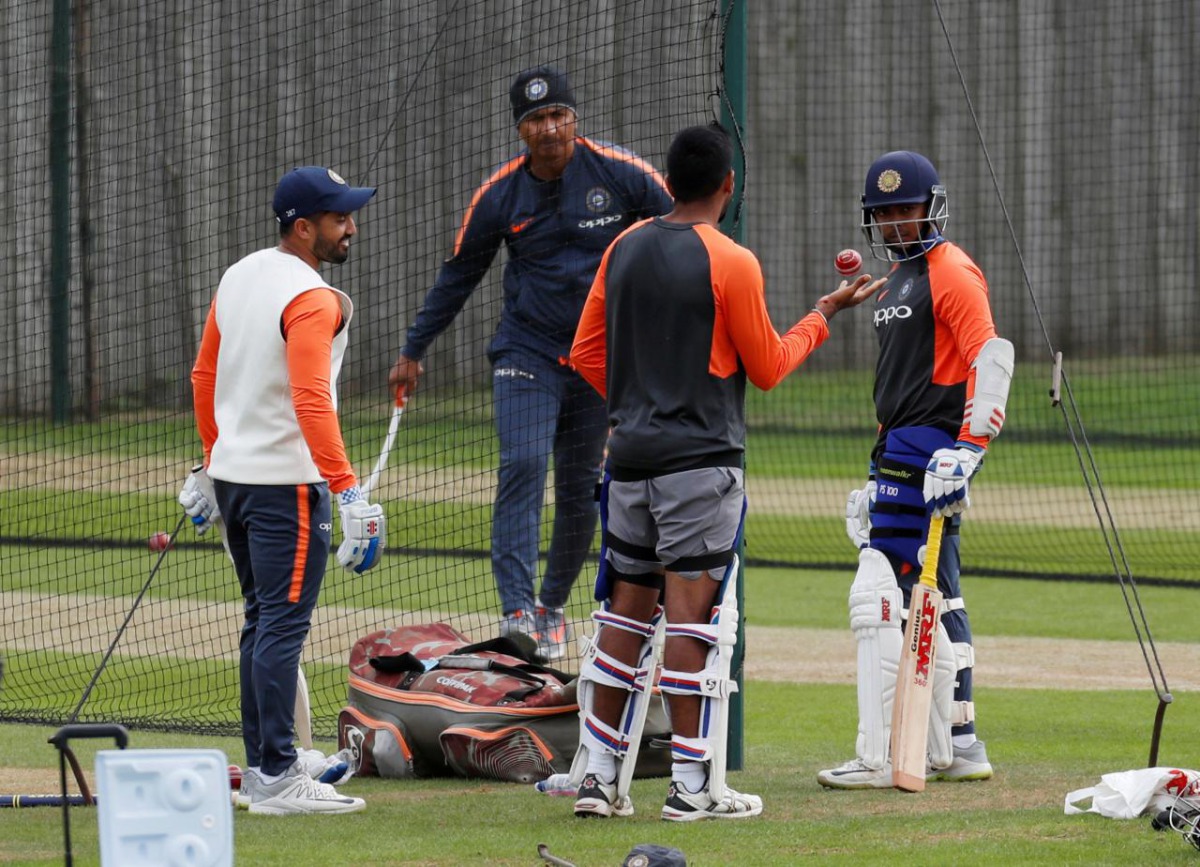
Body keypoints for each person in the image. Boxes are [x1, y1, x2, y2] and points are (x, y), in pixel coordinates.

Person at [568, 124, 882, 821]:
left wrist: (631, 407)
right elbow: (768, 367)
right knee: (691, 624)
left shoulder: (622, 247)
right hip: (701, 465)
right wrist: (824, 314)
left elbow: (586, 351)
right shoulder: (732, 260)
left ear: (668, 181)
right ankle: (689, 786)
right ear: (727, 186)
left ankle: (596, 776)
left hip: (628, 462)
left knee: (624, 610)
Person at [388, 65, 673, 661]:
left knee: (580, 492)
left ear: (574, 118)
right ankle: (516, 609)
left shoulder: (623, 176)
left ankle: (549, 608)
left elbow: (683, 230)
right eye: (535, 120)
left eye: (557, 116)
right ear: (520, 131)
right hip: (527, 354)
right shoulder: (500, 195)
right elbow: (458, 275)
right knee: (522, 463)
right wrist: (413, 350)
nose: (548, 129)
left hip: (600, 361)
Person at [179, 165, 386, 814]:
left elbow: (202, 374)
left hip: (237, 481)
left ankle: (273, 757)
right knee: (280, 629)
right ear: (304, 228)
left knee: (260, 623)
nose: (351, 226)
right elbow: (309, 396)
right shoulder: (312, 296)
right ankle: (274, 777)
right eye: (338, 217)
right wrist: (348, 490)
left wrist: (211, 462)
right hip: (285, 486)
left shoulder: (240, 273)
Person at [818, 150, 1014, 789]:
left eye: (907, 210)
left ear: (932, 208)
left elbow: (991, 355)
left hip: (934, 448)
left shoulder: (951, 271)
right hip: (898, 449)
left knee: (882, 590)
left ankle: (882, 754)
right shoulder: (896, 278)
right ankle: (957, 741)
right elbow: (899, 381)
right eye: (886, 213)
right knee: (936, 591)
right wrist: (876, 471)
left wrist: (969, 447)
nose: (898, 223)